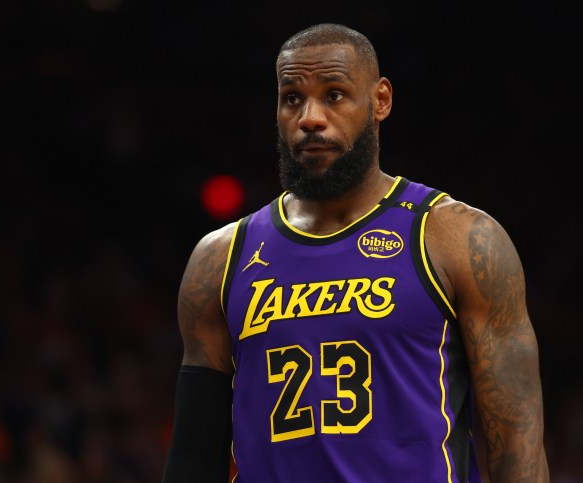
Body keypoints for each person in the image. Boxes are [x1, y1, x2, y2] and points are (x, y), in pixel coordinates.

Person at [161, 22, 550, 483]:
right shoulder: (221, 259)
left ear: (380, 100)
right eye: (292, 99)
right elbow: (193, 459)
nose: (310, 117)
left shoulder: (457, 238)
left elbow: (517, 449)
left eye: (334, 95)